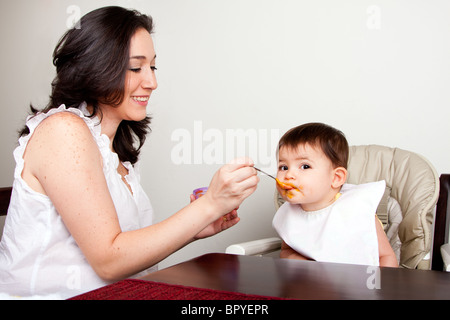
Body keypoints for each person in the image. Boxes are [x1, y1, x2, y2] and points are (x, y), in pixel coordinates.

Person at [0, 6, 258, 298]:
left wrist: (197, 224)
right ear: (97, 66)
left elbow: (123, 254)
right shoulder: (63, 130)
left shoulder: (114, 152)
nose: (152, 82)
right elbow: (109, 261)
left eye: (153, 67)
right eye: (136, 68)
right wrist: (208, 204)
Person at [272, 123, 398, 267]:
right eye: (283, 167)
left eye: (305, 166)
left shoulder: (356, 209)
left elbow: (386, 257)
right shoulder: (289, 213)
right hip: (310, 285)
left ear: (336, 178)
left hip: (361, 284)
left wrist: (380, 287)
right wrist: (298, 261)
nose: (289, 175)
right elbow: (286, 250)